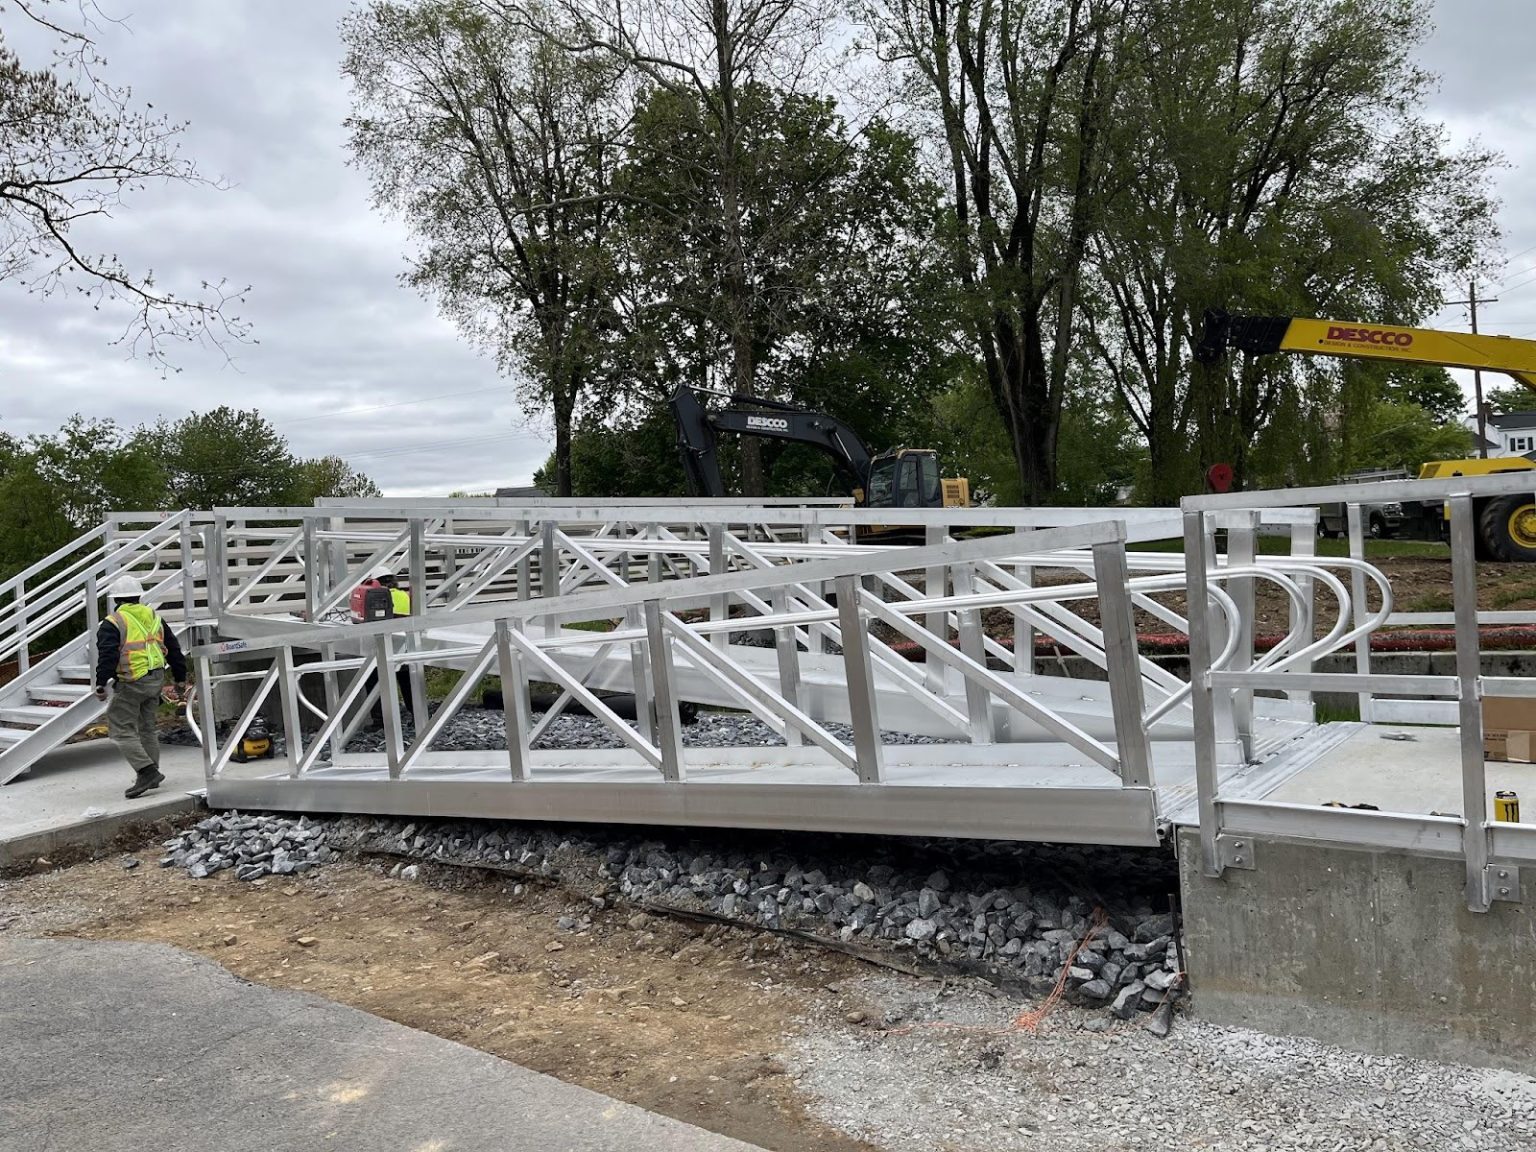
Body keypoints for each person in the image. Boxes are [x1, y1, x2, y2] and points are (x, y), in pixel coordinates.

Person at [93, 575, 187, 799]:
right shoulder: (154, 616)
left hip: (133, 682)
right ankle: (152, 771)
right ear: (138, 595)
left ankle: (146, 772)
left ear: (115, 599)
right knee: (146, 728)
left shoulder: (113, 622)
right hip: (155, 680)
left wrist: (100, 683)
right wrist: (180, 676)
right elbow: (173, 647)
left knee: (120, 728)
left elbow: (107, 654)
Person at [364, 568, 415, 728]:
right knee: (407, 681)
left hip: (385, 645)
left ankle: (380, 720)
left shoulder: (377, 597)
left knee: (372, 680)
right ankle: (417, 715)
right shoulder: (403, 595)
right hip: (405, 645)